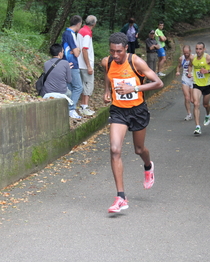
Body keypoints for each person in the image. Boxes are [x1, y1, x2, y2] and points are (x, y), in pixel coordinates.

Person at [101, 32, 163, 213]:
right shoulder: (108, 61)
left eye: (119, 51)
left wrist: (133, 88)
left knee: (138, 149)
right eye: (112, 51)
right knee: (114, 150)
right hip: (119, 110)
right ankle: (121, 197)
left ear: (126, 48)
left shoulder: (136, 62)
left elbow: (158, 82)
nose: (115, 55)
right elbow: (108, 75)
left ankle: (148, 166)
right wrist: (107, 91)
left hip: (138, 110)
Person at [187, 42, 210, 135]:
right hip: (197, 84)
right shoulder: (192, 58)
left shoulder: (208, 58)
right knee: (196, 104)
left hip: (207, 84)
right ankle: (198, 127)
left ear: (204, 49)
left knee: (205, 105)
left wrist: (208, 71)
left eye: (200, 49)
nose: (198, 51)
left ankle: (208, 113)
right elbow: (190, 65)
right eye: (197, 49)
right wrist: (189, 73)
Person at [62, 15, 83, 119]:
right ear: (78, 24)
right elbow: (76, 53)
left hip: (65, 63)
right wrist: (78, 49)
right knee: (78, 87)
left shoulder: (65, 32)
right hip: (72, 64)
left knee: (70, 87)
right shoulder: (71, 34)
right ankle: (71, 108)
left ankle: (67, 108)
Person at [77, 15, 97, 116]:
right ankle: (85, 106)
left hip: (79, 63)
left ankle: (82, 106)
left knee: (82, 86)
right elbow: (85, 49)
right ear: (94, 24)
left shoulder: (81, 30)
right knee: (88, 85)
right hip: (85, 65)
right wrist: (89, 65)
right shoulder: (87, 33)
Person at [176, 45, 194, 121]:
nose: (186, 54)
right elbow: (178, 66)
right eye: (184, 53)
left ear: (190, 51)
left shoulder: (193, 58)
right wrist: (177, 71)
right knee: (187, 97)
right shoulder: (181, 58)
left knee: (192, 99)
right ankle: (189, 114)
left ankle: (196, 111)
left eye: (187, 53)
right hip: (185, 78)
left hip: (193, 79)